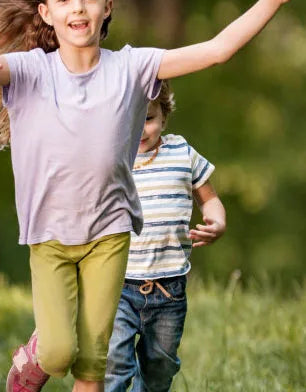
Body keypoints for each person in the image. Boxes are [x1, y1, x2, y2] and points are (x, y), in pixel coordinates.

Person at [0, 0, 306, 392]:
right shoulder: (28, 70)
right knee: (59, 352)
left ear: (108, 7)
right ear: (46, 13)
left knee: (93, 368)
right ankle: (31, 360)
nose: (77, 7)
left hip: (110, 234)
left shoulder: (133, 67)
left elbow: (217, 50)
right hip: (50, 236)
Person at [104, 81, 225, 392]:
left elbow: (208, 198)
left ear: (164, 117)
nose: (140, 129)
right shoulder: (111, 160)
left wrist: (217, 221)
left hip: (169, 289)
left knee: (160, 368)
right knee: (115, 363)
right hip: (120, 284)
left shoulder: (181, 152)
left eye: (148, 119)